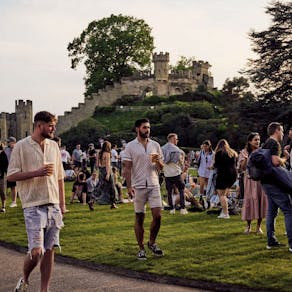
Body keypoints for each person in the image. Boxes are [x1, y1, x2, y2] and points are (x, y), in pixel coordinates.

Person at [7, 111, 65, 292]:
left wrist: (62, 204)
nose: (53, 129)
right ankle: (24, 279)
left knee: (49, 251)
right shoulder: (21, 147)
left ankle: (44, 290)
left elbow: (60, 177)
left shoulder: (54, 146)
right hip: (33, 205)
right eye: (50, 126)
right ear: (39, 125)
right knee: (36, 252)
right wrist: (36, 173)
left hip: (53, 204)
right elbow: (11, 175)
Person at [123, 118, 164, 260]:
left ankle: (152, 242)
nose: (147, 130)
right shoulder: (130, 146)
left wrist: (158, 161)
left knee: (158, 216)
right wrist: (128, 186)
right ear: (137, 129)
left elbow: (161, 168)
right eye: (145, 127)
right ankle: (141, 248)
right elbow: (127, 169)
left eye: (149, 127)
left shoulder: (155, 145)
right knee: (140, 217)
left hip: (154, 184)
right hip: (138, 185)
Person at [261, 122, 292, 252]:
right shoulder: (274, 144)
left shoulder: (266, 143)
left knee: (271, 212)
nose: (283, 133)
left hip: (266, 182)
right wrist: (285, 158)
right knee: (289, 210)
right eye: (282, 131)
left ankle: (271, 241)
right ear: (277, 131)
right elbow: (275, 161)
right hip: (275, 183)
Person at [238, 132, 268, 234]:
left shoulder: (262, 152)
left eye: (259, 140)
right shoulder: (244, 152)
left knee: (260, 200)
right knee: (250, 200)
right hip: (250, 180)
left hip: (260, 180)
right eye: (255, 139)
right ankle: (248, 226)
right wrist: (246, 159)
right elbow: (242, 168)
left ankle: (258, 226)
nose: (257, 142)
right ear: (250, 141)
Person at [162, 133, 188, 215]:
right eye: (176, 139)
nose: (177, 141)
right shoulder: (177, 150)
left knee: (169, 192)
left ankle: (171, 208)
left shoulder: (162, 148)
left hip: (167, 173)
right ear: (172, 139)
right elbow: (181, 162)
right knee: (181, 190)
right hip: (176, 173)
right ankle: (183, 208)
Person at [214, 139, 238, 219]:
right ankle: (224, 210)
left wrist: (211, 167)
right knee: (225, 193)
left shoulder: (219, 153)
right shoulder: (233, 153)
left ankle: (225, 213)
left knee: (221, 195)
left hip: (223, 174)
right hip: (233, 174)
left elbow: (216, 165)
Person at [96, 141, 118, 209]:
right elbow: (108, 165)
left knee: (101, 186)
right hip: (107, 170)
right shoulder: (107, 153)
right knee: (112, 187)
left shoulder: (98, 153)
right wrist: (108, 174)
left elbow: (97, 165)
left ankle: (92, 199)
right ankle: (113, 203)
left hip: (101, 170)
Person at [197, 140, 214, 209]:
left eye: (206, 146)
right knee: (201, 185)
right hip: (202, 170)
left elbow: (213, 162)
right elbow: (198, 160)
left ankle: (207, 198)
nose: (204, 147)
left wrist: (211, 166)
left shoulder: (212, 153)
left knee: (208, 186)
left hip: (209, 171)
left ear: (209, 146)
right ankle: (201, 197)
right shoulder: (201, 152)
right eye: (203, 146)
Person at [5, 136, 18, 208]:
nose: (7, 143)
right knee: (5, 186)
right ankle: (4, 201)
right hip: (6, 170)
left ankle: (14, 201)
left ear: (13, 142)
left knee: (13, 186)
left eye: (9, 142)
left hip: (15, 170)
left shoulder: (17, 149)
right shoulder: (6, 149)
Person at [0, 142, 9, 213]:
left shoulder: (3, 155)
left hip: (1, 176)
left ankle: (3, 207)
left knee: (2, 191)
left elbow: (6, 165)